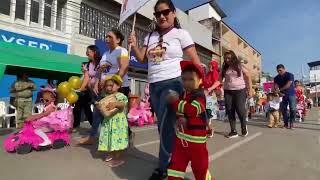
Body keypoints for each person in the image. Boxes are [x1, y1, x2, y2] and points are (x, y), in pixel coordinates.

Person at [129, 0, 201, 178]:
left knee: (166, 126)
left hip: (174, 83)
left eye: (165, 12)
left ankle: (163, 168)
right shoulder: (151, 36)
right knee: (164, 126)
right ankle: (176, 158)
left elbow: (194, 58)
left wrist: (200, 86)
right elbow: (142, 59)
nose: (161, 16)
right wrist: (134, 43)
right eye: (157, 14)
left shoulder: (181, 34)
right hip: (153, 85)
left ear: (174, 13)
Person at [166, 61, 213, 180]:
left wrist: (175, 102)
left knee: (200, 170)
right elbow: (180, 111)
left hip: (196, 144)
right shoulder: (182, 95)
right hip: (180, 141)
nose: (187, 83)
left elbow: (192, 110)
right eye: (184, 79)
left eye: (191, 79)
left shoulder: (200, 96)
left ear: (200, 80)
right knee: (175, 168)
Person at [92, 29, 134, 146]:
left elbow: (124, 67)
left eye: (110, 37)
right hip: (105, 89)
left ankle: (126, 135)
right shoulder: (105, 54)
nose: (107, 39)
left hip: (119, 88)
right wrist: (96, 83)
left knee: (118, 114)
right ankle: (93, 136)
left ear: (118, 39)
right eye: (106, 36)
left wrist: (113, 83)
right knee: (99, 110)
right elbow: (100, 70)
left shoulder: (122, 51)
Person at [220, 50, 253, 138]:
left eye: (229, 58)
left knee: (239, 109)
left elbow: (248, 75)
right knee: (230, 110)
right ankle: (233, 131)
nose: (227, 60)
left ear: (233, 58)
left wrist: (250, 90)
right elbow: (220, 79)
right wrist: (218, 89)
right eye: (225, 58)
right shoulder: (224, 68)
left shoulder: (239, 66)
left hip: (240, 90)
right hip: (228, 91)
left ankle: (243, 126)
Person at [98, 75, 128, 167]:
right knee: (109, 138)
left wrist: (115, 104)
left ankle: (117, 158)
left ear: (118, 86)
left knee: (117, 139)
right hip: (108, 121)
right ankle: (111, 153)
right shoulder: (106, 97)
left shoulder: (120, 95)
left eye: (111, 85)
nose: (109, 87)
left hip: (118, 123)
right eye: (107, 86)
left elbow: (122, 104)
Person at [77, 45, 103, 144]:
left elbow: (101, 75)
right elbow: (87, 78)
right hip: (93, 92)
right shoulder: (88, 64)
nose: (87, 53)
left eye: (89, 51)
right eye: (86, 51)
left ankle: (94, 136)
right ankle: (95, 135)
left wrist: (97, 84)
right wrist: (81, 88)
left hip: (102, 91)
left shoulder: (101, 62)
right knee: (98, 113)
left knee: (98, 113)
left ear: (94, 52)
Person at [274, 64, 296, 129]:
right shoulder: (276, 78)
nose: (279, 72)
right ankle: (286, 124)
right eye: (278, 71)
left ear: (284, 69)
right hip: (282, 95)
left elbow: (288, 84)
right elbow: (275, 86)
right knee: (283, 110)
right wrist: (276, 91)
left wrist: (279, 90)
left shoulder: (290, 75)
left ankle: (291, 123)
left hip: (291, 94)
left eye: (280, 70)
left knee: (293, 109)